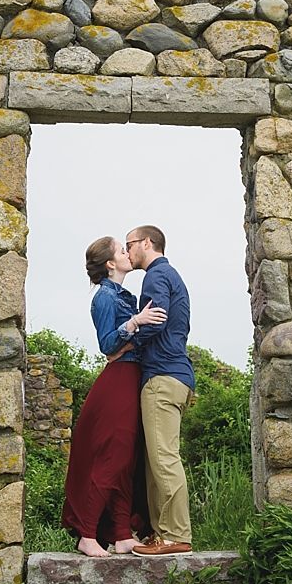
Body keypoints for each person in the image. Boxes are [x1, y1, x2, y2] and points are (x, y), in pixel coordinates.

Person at [61, 236, 166, 557]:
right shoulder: (104, 298)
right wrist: (136, 322)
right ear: (110, 263)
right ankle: (87, 533)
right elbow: (107, 345)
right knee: (113, 459)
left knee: (126, 461)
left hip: (131, 377)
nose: (127, 252)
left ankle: (121, 533)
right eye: (122, 250)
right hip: (118, 380)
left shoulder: (125, 295)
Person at [121, 225, 197, 558]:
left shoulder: (154, 276)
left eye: (129, 245)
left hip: (162, 378)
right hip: (176, 375)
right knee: (157, 460)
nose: (127, 252)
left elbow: (157, 320)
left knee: (164, 459)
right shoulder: (172, 276)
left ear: (147, 243)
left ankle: (175, 536)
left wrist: (125, 341)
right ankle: (160, 534)